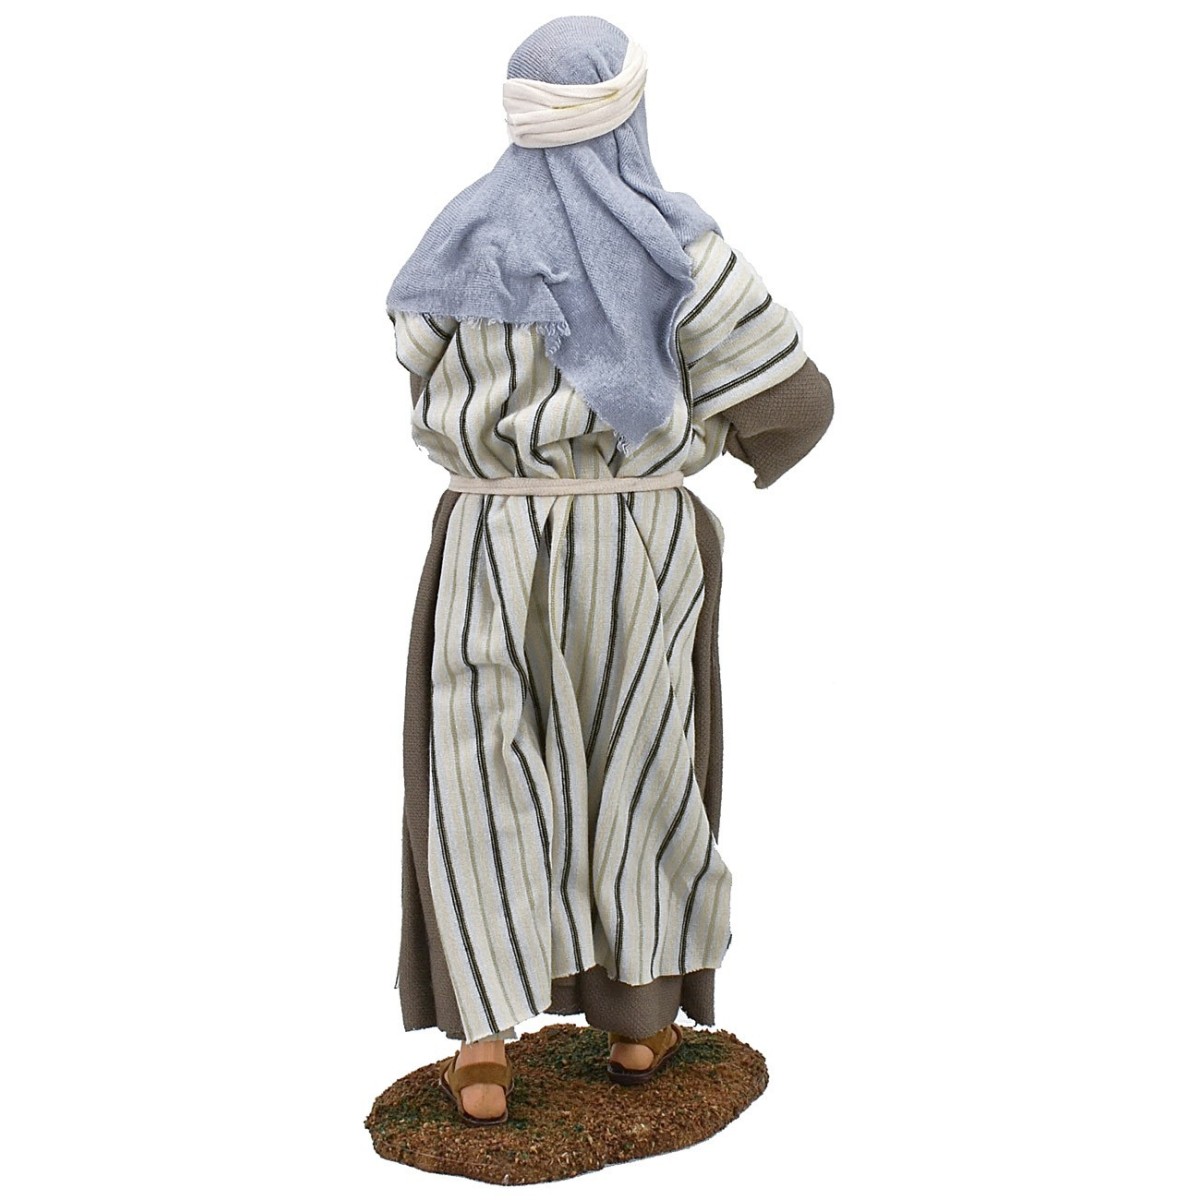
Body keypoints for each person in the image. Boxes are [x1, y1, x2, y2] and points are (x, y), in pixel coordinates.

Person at [385, 15, 834, 1125]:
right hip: (637, 540)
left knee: (481, 770)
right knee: (642, 762)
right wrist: (712, 438)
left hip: (489, 538)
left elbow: (415, 365)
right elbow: (794, 404)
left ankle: (483, 1047)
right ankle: (639, 1026)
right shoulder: (679, 248)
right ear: (628, 109)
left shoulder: (452, 242)